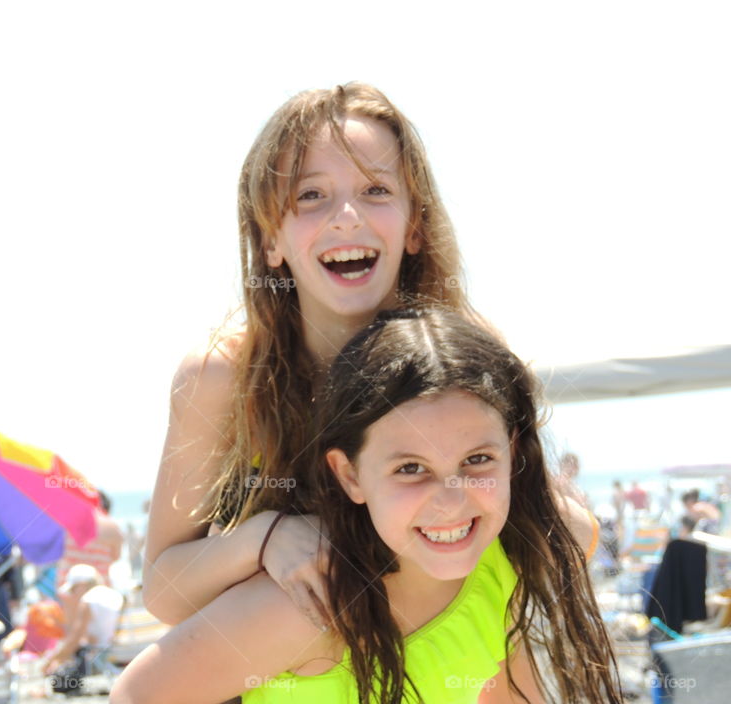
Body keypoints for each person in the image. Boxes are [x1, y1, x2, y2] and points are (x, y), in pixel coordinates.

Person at [142, 82, 598, 634]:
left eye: (376, 189)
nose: (347, 216)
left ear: (415, 225)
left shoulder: (470, 353)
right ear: (270, 240)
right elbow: (162, 592)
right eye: (311, 195)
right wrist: (262, 539)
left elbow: (571, 535)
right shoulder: (225, 375)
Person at [113, 308, 620, 703]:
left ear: (512, 454)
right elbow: (137, 696)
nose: (450, 499)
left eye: (477, 459)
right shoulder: (308, 606)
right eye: (411, 468)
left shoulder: (507, 566)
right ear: (349, 475)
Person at [42, 564, 124, 677]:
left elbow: (74, 640)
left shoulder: (88, 600)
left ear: (82, 584)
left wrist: (51, 661)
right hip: (118, 650)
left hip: (101, 654)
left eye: (73, 590)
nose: (73, 595)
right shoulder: (114, 595)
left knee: (61, 674)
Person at [58, 490, 124, 588]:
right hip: (99, 588)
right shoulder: (112, 528)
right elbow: (115, 557)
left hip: (69, 588)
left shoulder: (65, 522)